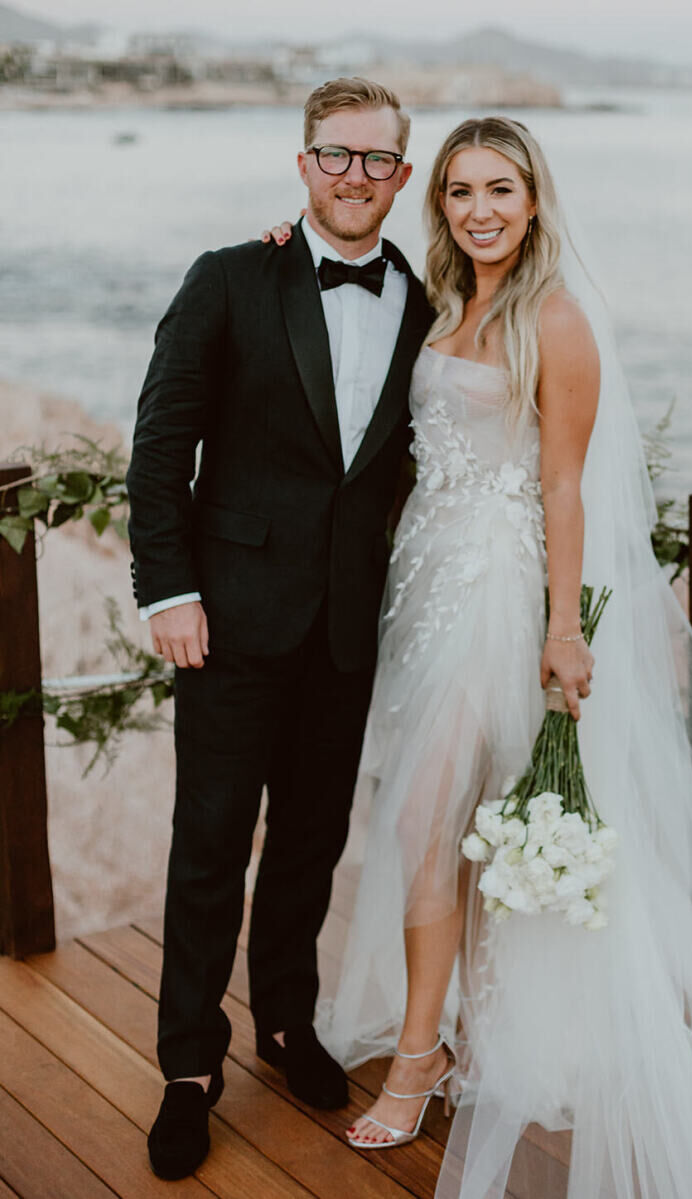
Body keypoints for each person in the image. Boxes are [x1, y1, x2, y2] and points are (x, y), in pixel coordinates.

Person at [271, 116, 692, 1197]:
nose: (480, 210)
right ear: (439, 203)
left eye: (501, 189)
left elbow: (559, 486)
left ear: (535, 199)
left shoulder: (557, 319)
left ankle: (419, 1060)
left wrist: (560, 626)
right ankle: (464, 1033)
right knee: (454, 821)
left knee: (430, 820)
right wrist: (292, 237)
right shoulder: (445, 299)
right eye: (459, 191)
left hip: (500, 595)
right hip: (423, 588)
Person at [126, 76, 433, 1180]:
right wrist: (168, 592)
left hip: (349, 632)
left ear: (403, 175)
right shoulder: (228, 279)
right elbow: (162, 448)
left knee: (311, 841)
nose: (356, 177)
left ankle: (288, 1023)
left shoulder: (427, 302)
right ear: (302, 164)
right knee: (208, 843)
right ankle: (187, 1066)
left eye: (377, 160)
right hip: (229, 623)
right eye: (336, 156)